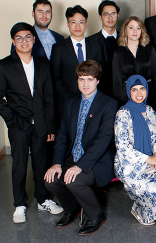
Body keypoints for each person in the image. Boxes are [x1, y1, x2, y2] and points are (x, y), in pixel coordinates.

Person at [0, 22, 62, 223]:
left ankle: (43, 199)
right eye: (19, 38)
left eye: (28, 37)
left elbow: (49, 98)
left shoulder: (42, 63)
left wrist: (50, 126)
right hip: (18, 126)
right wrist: (12, 120)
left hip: (41, 125)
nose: (24, 41)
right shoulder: (4, 65)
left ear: (33, 39)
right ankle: (19, 204)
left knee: (41, 163)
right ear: (13, 42)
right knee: (19, 165)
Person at [44, 60, 118, 235]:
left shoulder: (109, 103)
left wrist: (80, 166)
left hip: (97, 159)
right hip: (73, 155)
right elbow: (62, 135)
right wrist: (56, 163)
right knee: (50, 180)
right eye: (81, 79)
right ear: (77, 80)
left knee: (75, 181)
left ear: (97, 80)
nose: (85, 84)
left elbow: (103, 140)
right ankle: (73, 208)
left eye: (90, 79)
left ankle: (96, 215)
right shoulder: (70, 102)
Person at [114, 74, 156, 232]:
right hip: (129, 164)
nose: (139, 94)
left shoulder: (151, 111)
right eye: (134, 90)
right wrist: (149, 159)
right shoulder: (122, 114)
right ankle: (152, 213)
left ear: (147, 90)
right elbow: (123, 148)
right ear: (128, 92)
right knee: (153, 186)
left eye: (142, 89)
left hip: (152, 158)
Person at [51, 5, 103, 123]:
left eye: (81, 22)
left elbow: (101, 74)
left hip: (93, 101)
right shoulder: (58, 48)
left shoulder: (96, 47)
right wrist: (71, 98)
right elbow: (55, 78)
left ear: (86, 23)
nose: (77, 26)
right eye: (73, 22)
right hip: (68, 101)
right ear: (67, 24)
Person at [112, 16, 156, 107]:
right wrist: (122, 103)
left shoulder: (150, 50)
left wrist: (154, 99)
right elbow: (116, 82)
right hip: (126, 98)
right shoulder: (118, 53)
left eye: (138, 28)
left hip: (148, 97)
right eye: (131, 28)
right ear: (125, 30)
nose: (135, 31)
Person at [88, 0, 120, 96]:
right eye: (106, 14)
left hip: (121, 91)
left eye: (113, 14)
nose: (110, 17)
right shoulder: (90, 41)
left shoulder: (126, 38)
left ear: (117, 16)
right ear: (100, 17)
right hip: (99, 92)